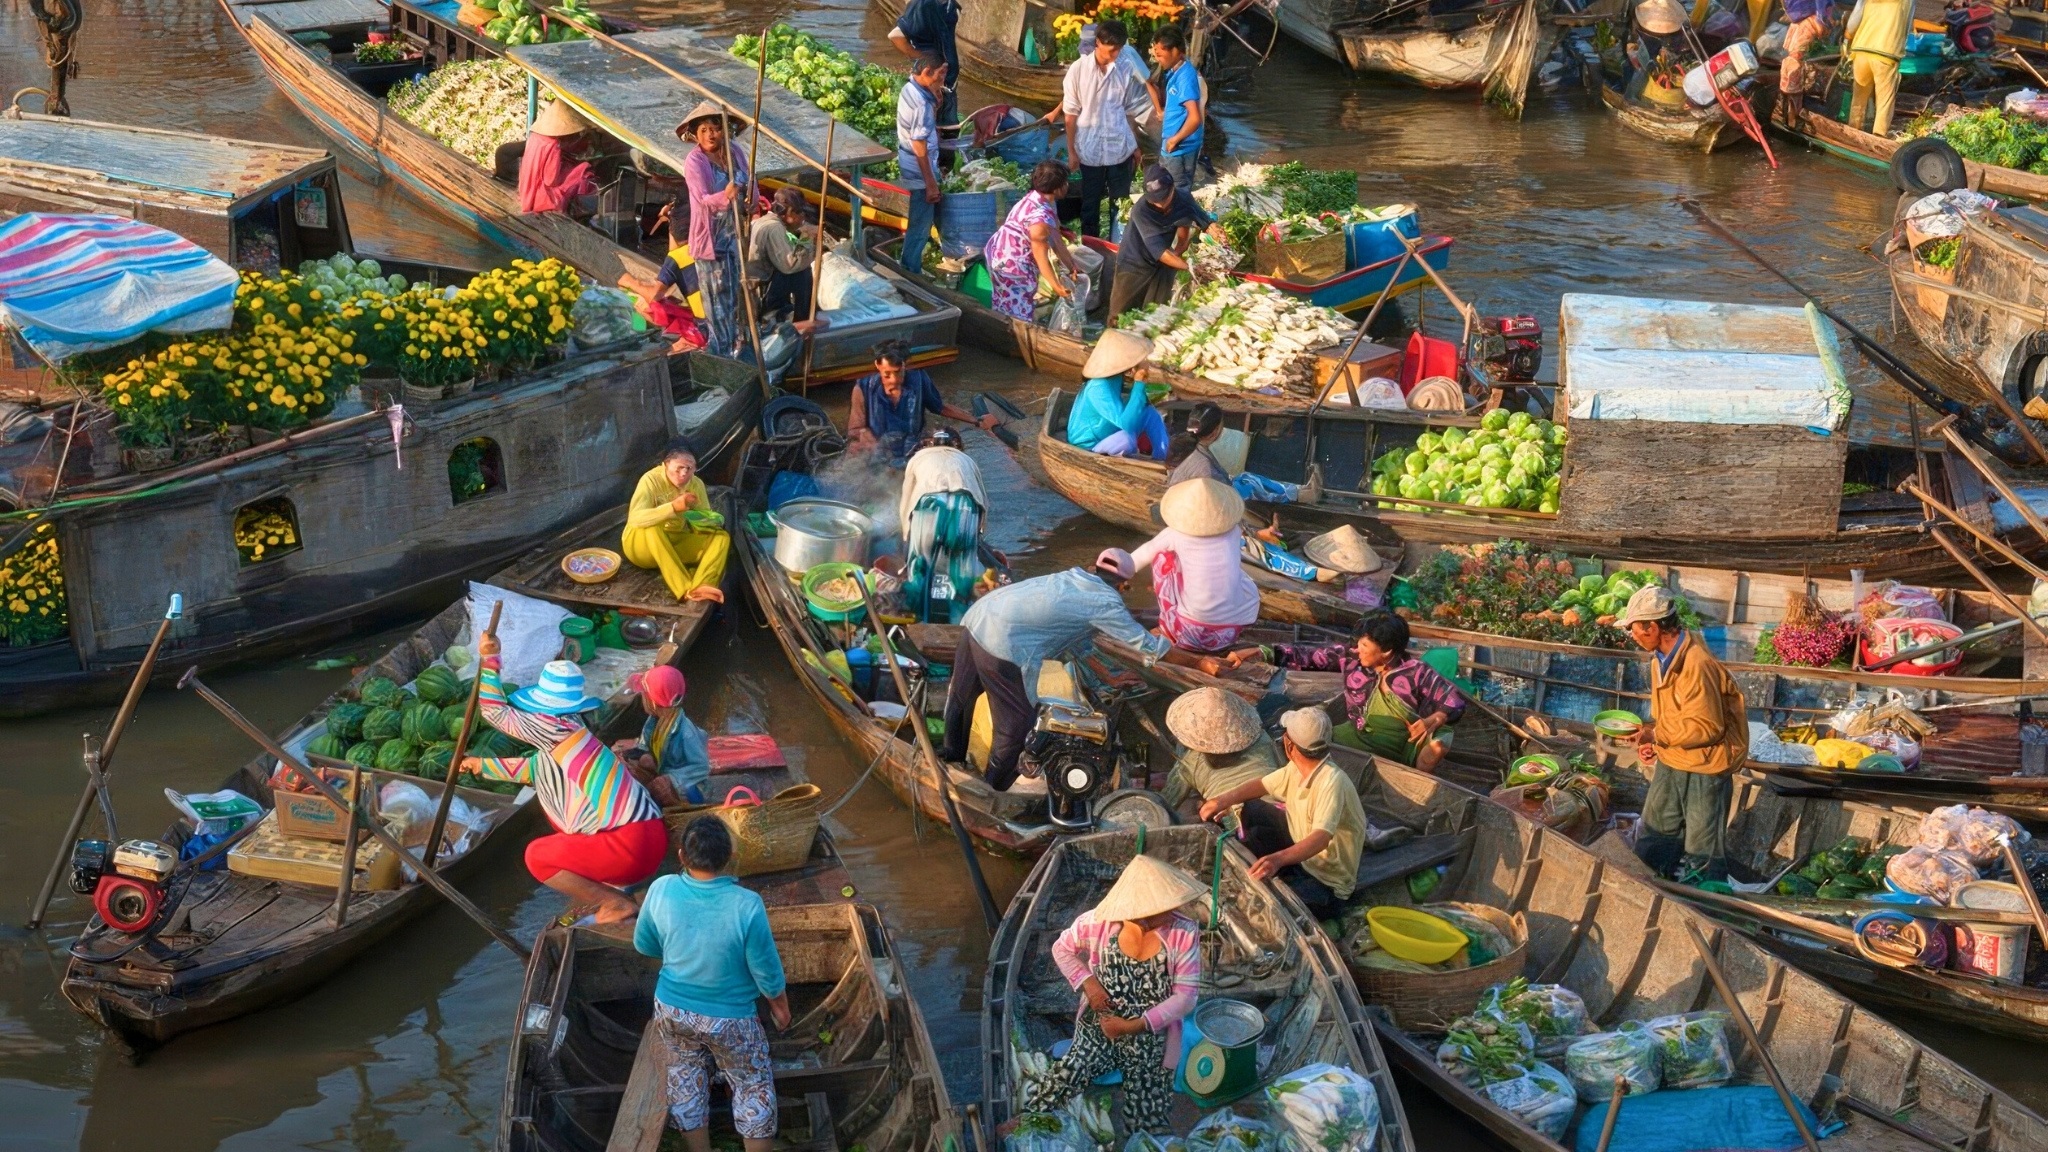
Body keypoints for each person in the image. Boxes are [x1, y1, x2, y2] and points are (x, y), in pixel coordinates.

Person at [939, 548, 1207, 791]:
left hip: (979, 617)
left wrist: (1107, 675)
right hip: (1002, 641)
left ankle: (951, 756)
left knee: (963, 695)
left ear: (1095, 567)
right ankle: (994, 788)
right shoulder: (1105, 602)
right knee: (1016, 724)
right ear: (1124, 584)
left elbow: (1077, 641)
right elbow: (1146, 645)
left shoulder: (1072, 578)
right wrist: (1199, 662)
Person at [461, 645, 666, 924]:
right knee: (565, 830)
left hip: (629, 846)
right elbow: (534, 768)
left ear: (543, 704)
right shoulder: (571, 729)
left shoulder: (550, 725)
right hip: (651, 838)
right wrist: (481, 765)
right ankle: (614, 889)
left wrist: (489, 659)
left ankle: (615, 903)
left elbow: (494, 711)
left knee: (537, 856)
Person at [635, 817, 791, 1152]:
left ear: (682, 855)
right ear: (729, 856)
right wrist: (779, 1006)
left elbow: (645, 944)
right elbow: (765, 970)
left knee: (684, 1075)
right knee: (751, 1082)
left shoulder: (661, 888)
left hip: (672, 1010)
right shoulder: (747, 904)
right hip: (731, 1018)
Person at [1024, 854, 1204, 1135]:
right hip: (1101, 1025)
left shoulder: (1184, 933)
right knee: (1070, 1072)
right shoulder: (1096, 923)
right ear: (1141, 912)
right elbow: (1062, 948)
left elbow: (1186, 997)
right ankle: (1028, 1115)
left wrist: (1133, 1026)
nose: (1174, 911)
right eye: (1164, 907)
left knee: (1148, 1114)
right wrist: (1090, 985)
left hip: (1151, 1035)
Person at [1616, 585, 1748, 882]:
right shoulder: (1659, 661)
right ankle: (1651, 890)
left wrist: (1658, 735)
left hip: (1705, 766)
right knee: (1654, 837)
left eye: (1634, 629)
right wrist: (1651, 736)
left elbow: (1708, 727)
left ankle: (1706, 909)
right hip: (1674, 759)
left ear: (1652, 627)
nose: (1632, 636)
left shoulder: (1697, 664)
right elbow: (1670, 718)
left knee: (1702, 850)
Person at [1227, 611, 1463, 772]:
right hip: (1358, 735)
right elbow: (1307, 656)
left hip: (1406, 745)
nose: (1357, 649)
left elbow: (1454, 699)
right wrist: (1260, 653)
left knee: (1441, 740)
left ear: (1387, 651)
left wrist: (1434, 719)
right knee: (1306, 736)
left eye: (1364, 645)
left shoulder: (1416, 672)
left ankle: (1417, 781)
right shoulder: (1352, 660)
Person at [1198, 707, 1368, 916]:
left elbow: (1320, 838)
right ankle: (1259, 859)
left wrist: (1278, 859)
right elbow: (1263, 784)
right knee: (1252, 806)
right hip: (1303, 851)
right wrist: (1222, 800)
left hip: (1326, 881)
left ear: (1289, 745)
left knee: (1265, 906)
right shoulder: (1296, 769)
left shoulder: (1332, 781)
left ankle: (1272, 866)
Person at [1130, 479, 1260, 653]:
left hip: (1191, 633)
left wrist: (1111, 574)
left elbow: (1140, 556)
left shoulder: (1175, 535)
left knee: (1163, 557)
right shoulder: (1233, 531)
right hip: (1231, 629)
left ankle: (1169, 630)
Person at [677, 101, 753, 359]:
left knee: (734, 297)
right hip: (710, 240)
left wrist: (749, 199)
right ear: (696, 135)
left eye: (715, 128)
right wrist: (727, 195)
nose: (710, 134)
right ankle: (720, 354)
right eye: (704, 130)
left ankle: (738, 348)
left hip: (734, 237)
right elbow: (702, 200)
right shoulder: (694, 161)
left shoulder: (735, 152)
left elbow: (749, 180)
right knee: (715, 302)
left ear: (724, 130)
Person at [847, 339, 999, 465]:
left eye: (898, 373)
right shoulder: (863, 388)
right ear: (878, 365)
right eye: (887, 375)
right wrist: (865, 435)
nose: (893, 380)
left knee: (950, 439)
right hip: (879, 452)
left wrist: (977, 420)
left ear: (905, 366)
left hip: (913, 449)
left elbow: (940, 407)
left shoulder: (918, 379)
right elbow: (854, 429)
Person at [1062, 19, 1149, 238]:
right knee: (1090, 204)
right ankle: (1091, 246)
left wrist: (1135, 146)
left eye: (1118, 50)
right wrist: (1072, 152)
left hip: (1119, 148)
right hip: (1089, 151)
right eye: (1111, 50)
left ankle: (1118, 245)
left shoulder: (1125, 68)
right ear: (1098, 43)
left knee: (1120, 204)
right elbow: (1070, 115)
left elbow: (1128, 111)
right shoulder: (1078, 70)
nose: (1115, 55)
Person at [622, 441, 730, 604]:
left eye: (690, 468)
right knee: (651, 528)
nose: (684, 473)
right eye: (679, 467)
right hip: (642, 548)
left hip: (674, 544)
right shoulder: (650, 480)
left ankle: (703, 585)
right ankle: (685, 588)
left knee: (721, 537)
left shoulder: (696, 484)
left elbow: (702, 524)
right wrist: (672, 507)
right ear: (666, 465)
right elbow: (636, 519)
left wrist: (707, 518)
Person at [898, 429, 988, 623]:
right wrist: (979, 530)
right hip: (965, 506)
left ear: (931, 444)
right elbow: (982, 499)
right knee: (961, 566)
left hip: (929, 505)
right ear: (954, 445)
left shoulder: (918, 457)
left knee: (920, 563)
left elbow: (906, 498)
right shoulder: (967, 460)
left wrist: (906, 531)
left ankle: (920, 618)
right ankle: (959, 621)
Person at [1110, 164, 1219, 321]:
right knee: (1119, 314)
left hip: (1163, 264)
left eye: (1163, 198)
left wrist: (1215, 231)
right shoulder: (1141, 210)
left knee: (1156, 312)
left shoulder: (1183, 198)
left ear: (1172, 189)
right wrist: (1190, 268)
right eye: (1154, 200)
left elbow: (1202, 221)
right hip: (1134, 263)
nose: (1159, 203)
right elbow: (1160, 252)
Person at [1163, 401, 1322, 504]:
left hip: (1202, 492)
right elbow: (1220, 499)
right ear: (1215, 431)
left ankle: (1299, 492)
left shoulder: (1188, 446)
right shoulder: (1204, 465)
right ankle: (1299, 496)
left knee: (1245, 478)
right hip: (1205, 502)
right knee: (1250, 486)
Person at [984, 160, 1082, 322]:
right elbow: (1041, 257)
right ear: (1059, 188)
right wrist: (1056, 286)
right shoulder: (1040, 219)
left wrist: (1072, 266)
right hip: (1011, 265)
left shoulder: (1037, 199)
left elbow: (1056, 239)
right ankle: (1013, 340)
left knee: (1006, 305)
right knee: (1017, 312)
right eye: (1066, 183)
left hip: (1002, 254)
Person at [1161, 685, 1283, 810]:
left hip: (1231, 820)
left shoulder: (1190, 761)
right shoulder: (1263, 739)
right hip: (1278, 810)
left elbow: (1165, 804)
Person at [620, 198, 708, 354]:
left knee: (637, 302)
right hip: (724, 324)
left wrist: (630, 282)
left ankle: (637, 341)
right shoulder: (712, 246)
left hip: (704, 329)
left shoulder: (679, 256)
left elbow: (655, 295)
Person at [617, 665, 711, 807]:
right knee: (631, 771)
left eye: (643, 695)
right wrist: (641, 756)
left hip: (688, 784)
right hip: (663, 769)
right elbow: (644, 746)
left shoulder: (687, 733)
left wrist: (672, 780)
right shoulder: (653, 722)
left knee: (660, 790)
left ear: (653, 702)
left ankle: (690, 809)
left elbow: (701, 767)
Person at [1067, 330, 1169, 459]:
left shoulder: (1115, 377)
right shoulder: (1098, 388)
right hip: (1088, 444)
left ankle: (1163, 457)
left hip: (1106, 431)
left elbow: (1141, 403)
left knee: (1151, 413)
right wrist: (1139, 383)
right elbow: (1127, 424)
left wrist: (1140, 385)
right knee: (1127, 438)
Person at [897, 54, 948, 274]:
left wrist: (935, 97)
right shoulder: (920, 104)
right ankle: (909, 271)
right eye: (940, 75)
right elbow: (918, 143)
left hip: (910, 165)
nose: (943, 81)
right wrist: (930, 183)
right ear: (926, 72)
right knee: (919, 226)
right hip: (919, 172)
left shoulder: (911, 89)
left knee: (926, 218)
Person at [518, 100, 600, 216]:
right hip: (542, 194)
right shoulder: (553, 144)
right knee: (583, 173)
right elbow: (550, 179)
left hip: (528, 187)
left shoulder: (535, 136)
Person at [747, 186, 816, 323]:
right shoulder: (774, 228)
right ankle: (802, 318)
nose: (802, 217)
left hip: (763, 284)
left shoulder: (764, 221)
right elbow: (789, 265)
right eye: (799, 212)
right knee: (802, 272)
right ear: (789, 211)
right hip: (764, 289)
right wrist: (807, 238)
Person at [1147, 26, 1204, 192]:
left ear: (1176, 51)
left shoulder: (1186, 77)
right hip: (1171, 146)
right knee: (1165, 190)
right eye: (1156, 54)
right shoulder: (1174, 72)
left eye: (1160, 54)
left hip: (1179, 149)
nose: (1158, 59)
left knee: (1177, 192)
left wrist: (1174, 140)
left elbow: (1194, 118)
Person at [888, 0, 961, 124]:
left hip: (946, 78)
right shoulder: (922, 4)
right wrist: (919, 56)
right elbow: (895, 35)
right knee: (925, 123)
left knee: (946, 123)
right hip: (932, 77)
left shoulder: (948, 5)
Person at [1845, 0, 1909, 136]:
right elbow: (1907, 26)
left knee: (1858, 98)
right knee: (1884, 101)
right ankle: (1878, 135)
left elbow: (1853, 23)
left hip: (1861, 50)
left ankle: (1852, 132)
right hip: (1886, 52)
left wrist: (1848, 36)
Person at [1778, 0, 1835, 118]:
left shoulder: (1801, 22)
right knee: (1794, 95)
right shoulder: (1810, 22)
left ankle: (1792, 116)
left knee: (1791, 96)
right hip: (1799, 68)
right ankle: (1794, 116)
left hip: (1796, 67)